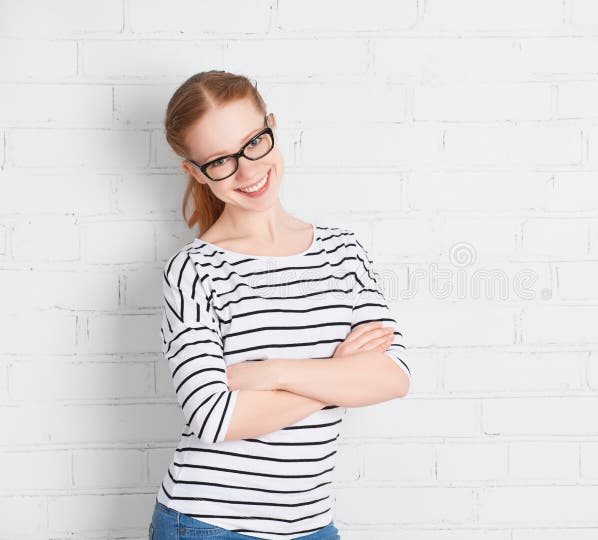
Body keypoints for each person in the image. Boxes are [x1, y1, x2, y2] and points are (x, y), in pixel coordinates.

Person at [149, 70, 411, 540]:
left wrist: (271, 371)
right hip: (210, 524)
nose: (248, 171)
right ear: (195, 172)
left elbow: (392, 376)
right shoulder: (192, 271)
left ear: (272, 126)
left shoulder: (342, 251)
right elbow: (212, 417)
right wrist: (336, 373)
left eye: (254, 142)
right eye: (220, 161)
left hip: (311, 526)